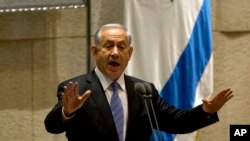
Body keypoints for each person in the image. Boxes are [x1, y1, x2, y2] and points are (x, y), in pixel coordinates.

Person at [44, 23, 234, 141]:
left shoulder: (142, 90)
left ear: (130, 53)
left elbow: (177, 122)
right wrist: (67, 111)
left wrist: (206, 111)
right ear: (95, 52)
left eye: (121, 46)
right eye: (108, 46)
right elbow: (52, 126)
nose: (115, 52)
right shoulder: (76, 89)